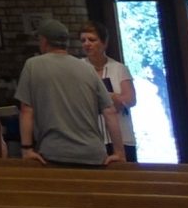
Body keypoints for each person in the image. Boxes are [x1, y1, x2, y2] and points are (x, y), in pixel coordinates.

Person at [15, 18, 122, 167]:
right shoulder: (87, 69)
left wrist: (26, 149)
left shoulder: (33, 65)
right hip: (93, 154)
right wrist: (119, 153)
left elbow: (27, 110)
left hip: (54, 153)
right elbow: (110, 111)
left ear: (44, 41)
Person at [79, 21, 138, 162]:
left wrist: (110, 97)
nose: (87, 44)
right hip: (91, 138)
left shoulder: (119, 68)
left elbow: (130, 100)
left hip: (122, 136)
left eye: (92, 40)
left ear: (104, 43)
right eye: (83, 40)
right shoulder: (78, 68)